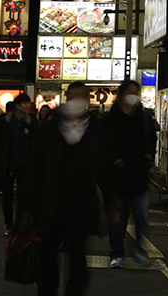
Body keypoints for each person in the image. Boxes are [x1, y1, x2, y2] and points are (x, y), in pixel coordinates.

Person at [33, 82, 112, 296]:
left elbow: (105, 169)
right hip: (51, 203)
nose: (76, 101)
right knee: (48, 254)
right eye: (72, 96)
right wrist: (27, 204)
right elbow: (35, 167)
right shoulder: (50, 128)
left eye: (81, 96)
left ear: (88, 99)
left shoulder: (96, 130)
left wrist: (110, 203)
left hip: (81, 204)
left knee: (77, 255)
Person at [102, 79, 156, 268]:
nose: (133, 95)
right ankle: (117, 253)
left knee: (141, 215)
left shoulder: (142, 116)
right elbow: (105, 145)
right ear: (122, 94)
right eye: (130, 92)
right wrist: (113, 161)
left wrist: (148, 156)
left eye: (136, 92)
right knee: (116, 218)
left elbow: (151, 138)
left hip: (138, 174)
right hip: (117, 176)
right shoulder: (111, 118)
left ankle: (138, 248)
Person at [0, 91, 36, 233]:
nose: (27, 105)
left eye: (28, 103)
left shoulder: (31, 122)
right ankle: (8, 224)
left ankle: (18, 223)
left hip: (23, 164)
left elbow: (36, 141)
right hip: (7, 162)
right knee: (7, 196)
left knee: (23, 196)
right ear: (17, 105)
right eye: (24, 103)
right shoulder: (5, 122)